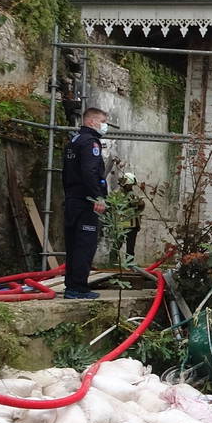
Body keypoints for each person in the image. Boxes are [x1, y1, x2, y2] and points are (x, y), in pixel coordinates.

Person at [62, 107, 109, 299]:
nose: (105, 126)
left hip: (72, 200)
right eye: (103, 122)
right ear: (91, 122)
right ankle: (79, 288)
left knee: (73, 244)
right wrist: (97, 196)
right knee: (85, 244)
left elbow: (66, 173)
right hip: (85, 202)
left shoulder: (74, 141)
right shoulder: (91, 143)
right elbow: (90, 171)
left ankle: (71, 286)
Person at [117, 171, 145, 259]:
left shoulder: (133, 194)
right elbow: (120, 207)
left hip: (133, 224)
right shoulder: (118, 194)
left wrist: (141, 204)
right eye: (130, 185)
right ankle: (112, 261)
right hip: (122, 223)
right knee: (117, 244)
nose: (131, 187)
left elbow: (140, 208)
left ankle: (129, 263)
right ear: (125, 184)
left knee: (130, 248)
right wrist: (133, 204)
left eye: (132, 185)